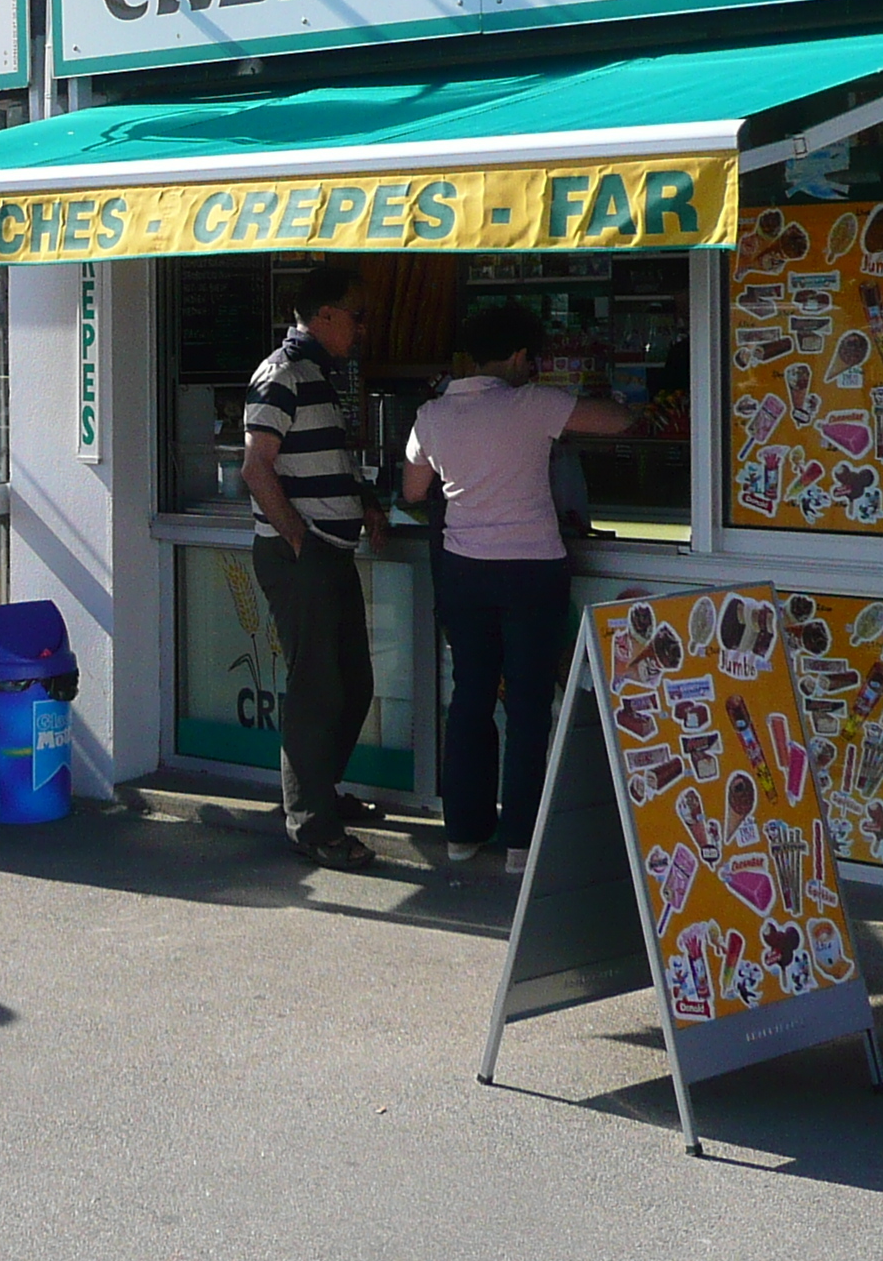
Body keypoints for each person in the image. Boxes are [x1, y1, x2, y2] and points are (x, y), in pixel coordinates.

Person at [402, 300, 631, 872]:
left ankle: (462, 832)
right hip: (532, 569)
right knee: (529, 704)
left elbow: (411, 490)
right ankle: (522, 842)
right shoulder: (534, 403)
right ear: (522, 356)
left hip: (464, 570)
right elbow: (618, 421)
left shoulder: (430, 415)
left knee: (471, 696)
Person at [242, 265, 389, 870]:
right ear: (324, 316)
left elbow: (328, 461)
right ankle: (313, 825)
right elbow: (257, 468)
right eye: (356, 315)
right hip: (305, 555)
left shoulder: (317, 376)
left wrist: (367, 504)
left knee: (352, 685)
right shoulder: (282, 373)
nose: (361, 328)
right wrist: (301, 541)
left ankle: (319, 796)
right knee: (317, 692)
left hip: (326, 551)